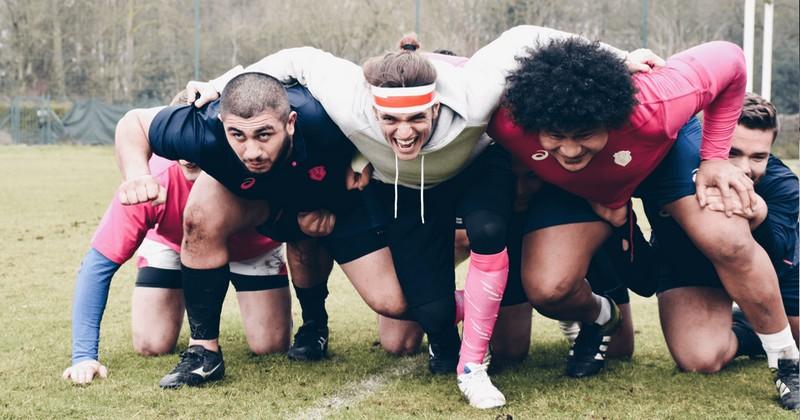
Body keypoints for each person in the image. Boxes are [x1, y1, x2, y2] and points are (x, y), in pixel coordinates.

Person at [186, 26, 659, 408]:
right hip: (410, 190)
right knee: (427, 309)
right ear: (372, 109)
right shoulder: (351, 100)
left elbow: (523, 36)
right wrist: (223, 84)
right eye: (391, 121)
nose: (405, 133)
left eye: (417, 119)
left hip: (476, 171)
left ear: (435, 105)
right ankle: (475, 329)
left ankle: (474, 367)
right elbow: (295, 57)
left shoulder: (472, 95)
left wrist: (614, 57)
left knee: (489, 229)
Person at [488, 38, 799, 409]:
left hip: (665, 159)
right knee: (548, 287)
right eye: (555, 136)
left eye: (585, 134)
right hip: (586, 189)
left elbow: (731, 59)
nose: (570, 149)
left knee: (726, 238)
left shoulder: (656, 104)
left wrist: (716, 157)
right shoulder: (505, 121)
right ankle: (602, 317)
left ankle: (786, 361)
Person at [115, 75, 408, 388]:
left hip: (325, 197)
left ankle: (314, 325)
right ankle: (204, 352)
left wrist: (363, 158)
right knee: (199, 217)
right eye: (238, 135)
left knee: (394, 307)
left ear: (291, 122)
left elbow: (387, 121)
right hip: (251, 196)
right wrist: (135, 174)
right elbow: (135, 123)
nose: (252, 150)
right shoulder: (205, 127)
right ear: (221, 122)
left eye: (264, 134)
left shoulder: (322, 116)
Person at [62, 155, 291, 385]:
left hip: (252, 248)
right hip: (173, 244)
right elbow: (96, 266)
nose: (188, 155)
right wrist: (84, 356)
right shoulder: (152, 179)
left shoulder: (253, 162)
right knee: (151, 343)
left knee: (269, 345)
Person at [643, 92, 798, 409]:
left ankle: (766, 323)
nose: (744, 168)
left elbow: (781, 250)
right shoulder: (668, 170)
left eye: (758, 157)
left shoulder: (783, 184)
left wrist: (758, 216)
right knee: (701, 358)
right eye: (732, 153)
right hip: (690, 267)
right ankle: (750, 331)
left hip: (775, 271)